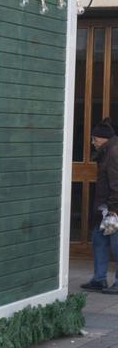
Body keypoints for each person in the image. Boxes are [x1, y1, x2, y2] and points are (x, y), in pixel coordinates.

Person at [81, 118, 118, 294]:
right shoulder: (108, 151)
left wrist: (113, 210)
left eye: (94, 139)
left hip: (113, 211)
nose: (93, 142)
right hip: (104, 209)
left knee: (116, 245)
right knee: (99, 239)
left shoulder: (114, 153)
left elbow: (116, 184)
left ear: (103, 139)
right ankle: (99, 279)